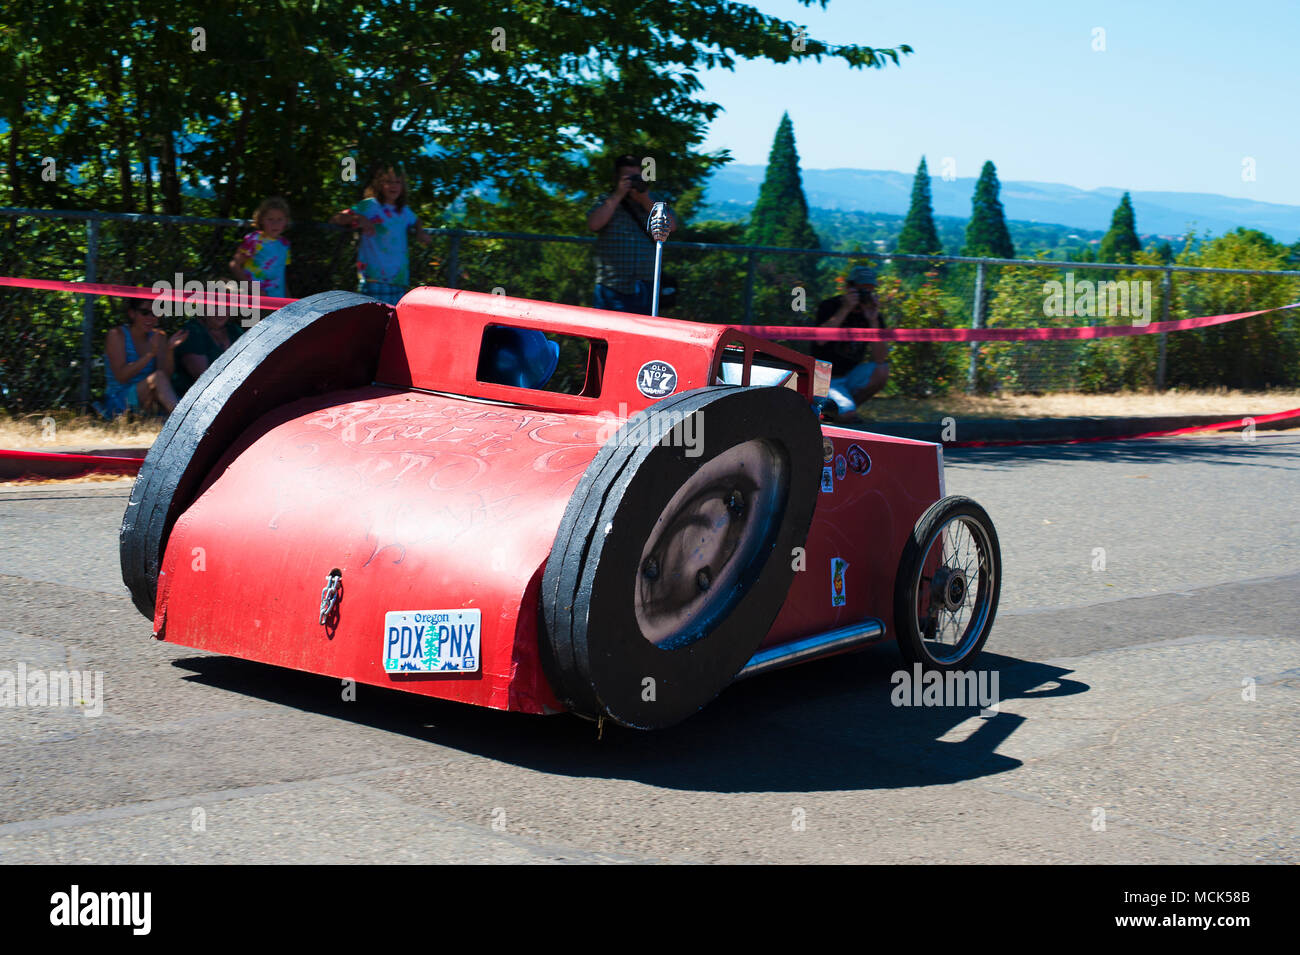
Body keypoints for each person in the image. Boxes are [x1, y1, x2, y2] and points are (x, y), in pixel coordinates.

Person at [586, 153, 676, 314]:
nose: (633, 182)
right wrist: (618, 195)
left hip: (647, 283)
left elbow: (671, 226)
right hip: (612, 285)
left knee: (643, 334)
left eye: (636, 177)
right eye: (628, 178)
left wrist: (644, 200)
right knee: (606, 333)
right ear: (617, 178)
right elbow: (594, 224)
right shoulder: (606, 201)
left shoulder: (655, 202)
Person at [331, 166, 432, 305]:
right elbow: (337, 218)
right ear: (379, 184)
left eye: (398, 182)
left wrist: (420, 232)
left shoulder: (404, 210)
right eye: (388, 181)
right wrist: (358, 219)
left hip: (399, 279)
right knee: (374, 322)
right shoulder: (370, 205)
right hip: (373, 278)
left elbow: (416, 220)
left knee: (393, 322)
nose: (393, 186)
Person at [814, 266, 890, 418]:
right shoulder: (830, 306)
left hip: (849, 375)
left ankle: (839, 410)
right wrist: (846, 308)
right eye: (862, 290)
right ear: (849, 288)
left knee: (882, 369)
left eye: (869, 290)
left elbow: (880, 358)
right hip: (823, 378)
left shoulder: (872, 313)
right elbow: (820, 340)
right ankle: (838, 410)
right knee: (847, 414)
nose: (865, 295)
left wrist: (873, 321)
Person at [101, 300, 188, 417]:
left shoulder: (159, 336)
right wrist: (150, 354)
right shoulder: (117, 334)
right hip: (119, 401)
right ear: (132, 314)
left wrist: (169, 350)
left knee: (161, 383)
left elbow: (165, 377)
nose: (150, 318)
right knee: (158, 379)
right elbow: (121, 376)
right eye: (145, 313)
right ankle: (184, 420)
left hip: (148, 399)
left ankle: (180, 419)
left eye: (156, 313)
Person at [230, 197, 292, 298]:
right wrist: (252, 289)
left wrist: (288, 298)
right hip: (255, 299)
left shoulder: (285, 244)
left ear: (286, 221)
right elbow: (234, 265)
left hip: (277, 299)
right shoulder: (254, 240)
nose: (275, 224)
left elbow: (281, 275)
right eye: (270, 219)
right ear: (261, 220)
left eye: (280, 219)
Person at [171, 309, 240, 399]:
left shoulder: (233, 330)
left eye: (226, 307)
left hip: (232, 394)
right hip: (195, 400)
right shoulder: (192, 331)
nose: (221, 312)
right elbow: (204, 378)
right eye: (215, 307)